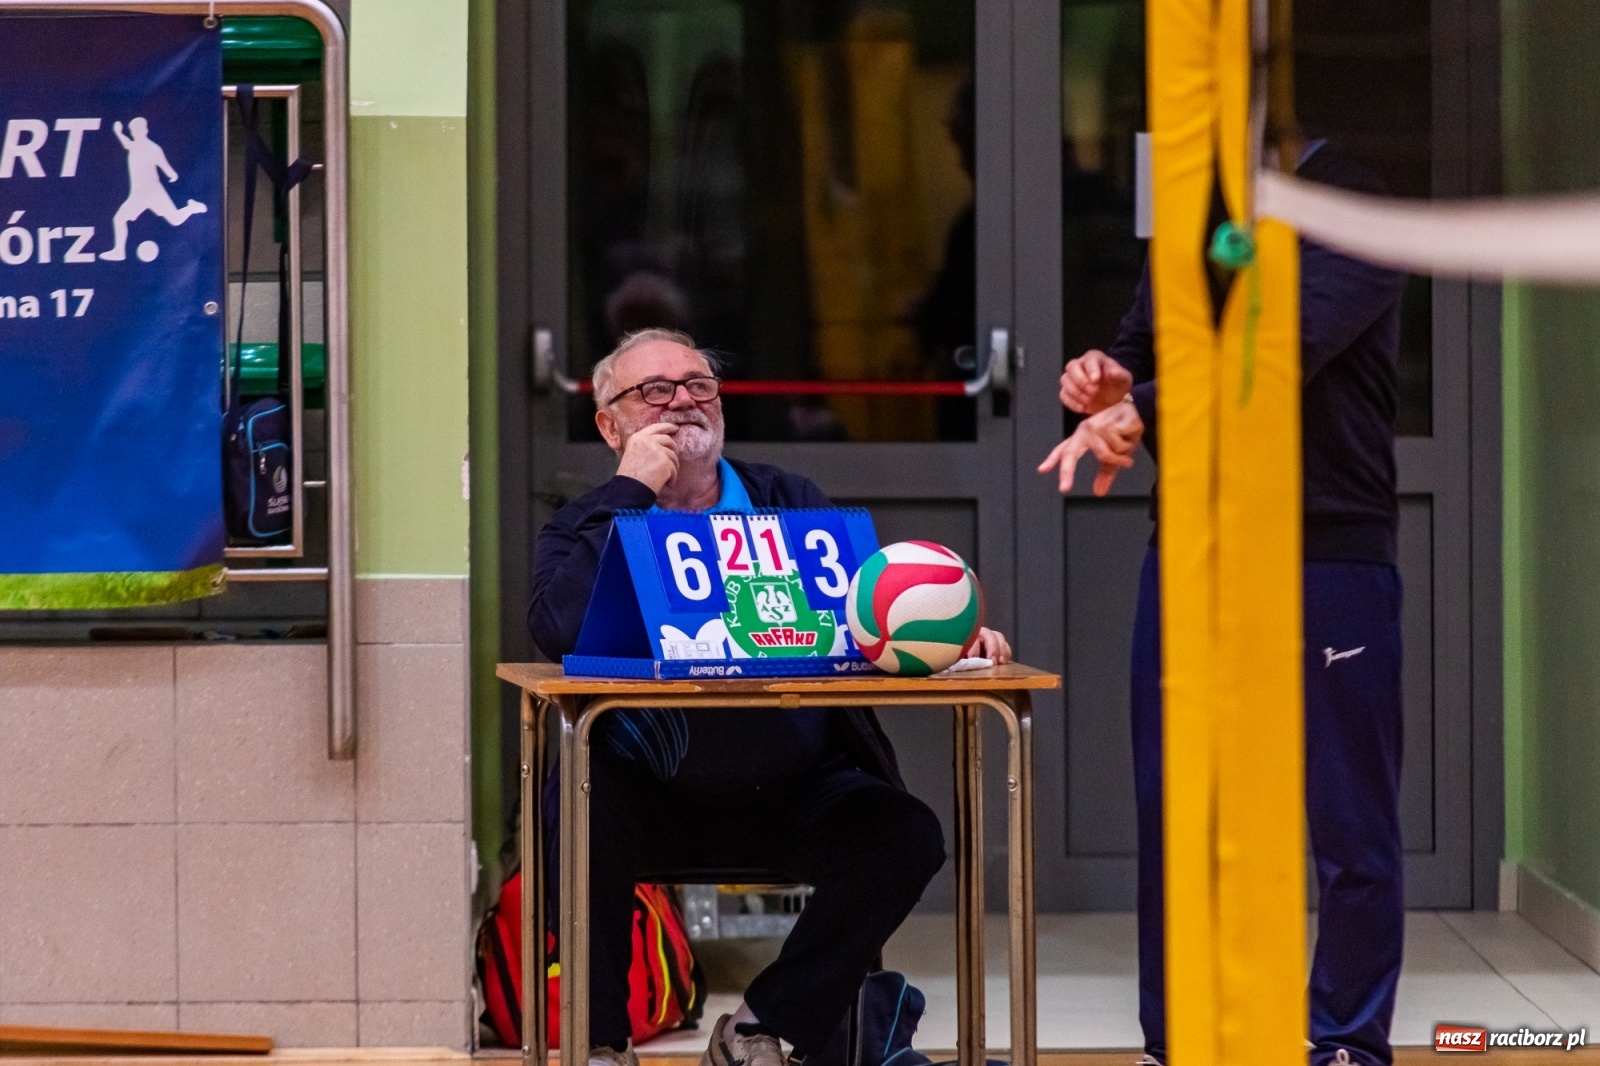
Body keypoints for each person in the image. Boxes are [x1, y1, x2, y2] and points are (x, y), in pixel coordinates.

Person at [529, 328, 1013, 1066]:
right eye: (655, 391)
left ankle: (763, 1024)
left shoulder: (792, 504)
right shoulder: (585, 523)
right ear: (608, 424)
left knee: (905, 834)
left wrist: (957, 641)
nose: (684, 401)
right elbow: (554, 628)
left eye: (699, 384)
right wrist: (632, 493)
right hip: (651, 794)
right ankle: (599, 1045)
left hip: (794, 786)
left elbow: (869, 616)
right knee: (579, 806)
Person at [1039, 143, 1409, 1066]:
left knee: (1349, 824)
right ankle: (1178, 1039)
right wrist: (1104, 383)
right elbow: (1139, 352)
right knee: (1178, 814)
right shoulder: (1192, 206)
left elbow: (1282, 352)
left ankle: (1348, 1044)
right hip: (1194, 553)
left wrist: (1142, 410)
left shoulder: (1359, 191)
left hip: (1323, 551)